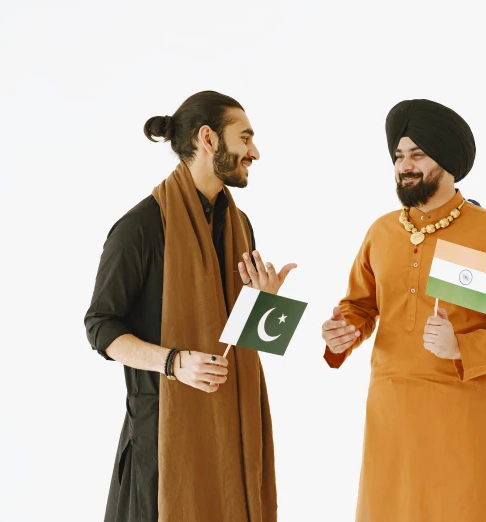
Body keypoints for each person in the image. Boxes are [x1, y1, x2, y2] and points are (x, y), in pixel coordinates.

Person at [321, 99, 486, 522]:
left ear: (447, 161)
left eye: (417, 155)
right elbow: (359, 305)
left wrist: (461, 346)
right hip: (390, 414)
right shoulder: (382, 231)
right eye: (399, 156)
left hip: (459, 419)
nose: (404, 165)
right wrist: (345, 330)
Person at [85, 90, 295, 522]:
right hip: (163, 442)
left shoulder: (239, 224)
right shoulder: (139, 229)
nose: (254, 152)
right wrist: (174, 363)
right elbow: (100, 328)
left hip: (234, 432)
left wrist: (266, 305)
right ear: (208, 139)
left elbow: (244, 340)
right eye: (245, 139)